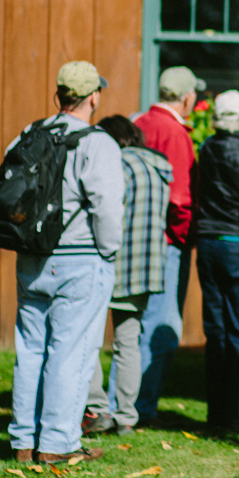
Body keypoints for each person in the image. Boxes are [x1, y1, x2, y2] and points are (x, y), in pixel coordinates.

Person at [8, 61, 122, 463]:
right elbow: (107, 208)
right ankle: (57, 445)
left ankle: (23, 441)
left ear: (58, 96)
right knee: (70, 353)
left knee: (31, 351)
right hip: (81, 259)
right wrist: (108, 251)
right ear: (94, 96)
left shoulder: (28, 135)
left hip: (32, 259)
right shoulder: (98, 142)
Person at [81, 114, 173, 437]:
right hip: (145, 269)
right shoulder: (159, 168)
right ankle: (127, 416)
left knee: (87, 339)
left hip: (110, 261)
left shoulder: (117, 165)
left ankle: (96, 409)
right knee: (128, 342)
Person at [132, 65, 204, 426]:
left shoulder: (140, 122)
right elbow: (180, 199)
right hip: (166, 241)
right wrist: (183, 236)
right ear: (188, 97)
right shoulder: (174, 132)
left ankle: (124, 402)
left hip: (137, 238)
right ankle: (142, 406)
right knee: (162, 324)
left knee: (134, 324)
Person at [190, 91, 239, 433]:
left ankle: (215, 414)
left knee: (215, 330)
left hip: (207, 241)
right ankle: (237, 414)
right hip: (237, 244)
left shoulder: (206, 147)